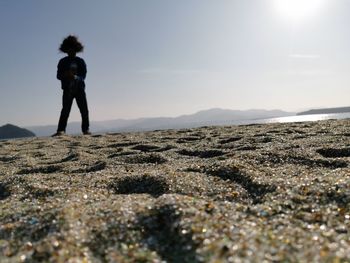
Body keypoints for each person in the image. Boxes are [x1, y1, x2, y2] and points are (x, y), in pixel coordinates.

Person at [52, 35, 91, 136]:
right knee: (65, 110)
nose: (71, 51)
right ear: (66, 50)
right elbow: (58, 76)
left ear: (76, 49)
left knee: (84, 110)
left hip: (80, 89)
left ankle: (85, 130)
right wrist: (65, 75)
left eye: (72, 49)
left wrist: (75, 77)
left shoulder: (80, 61)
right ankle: (61, 130)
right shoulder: (62, 62)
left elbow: (83, 75)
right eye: (69, 49)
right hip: (67, 89)